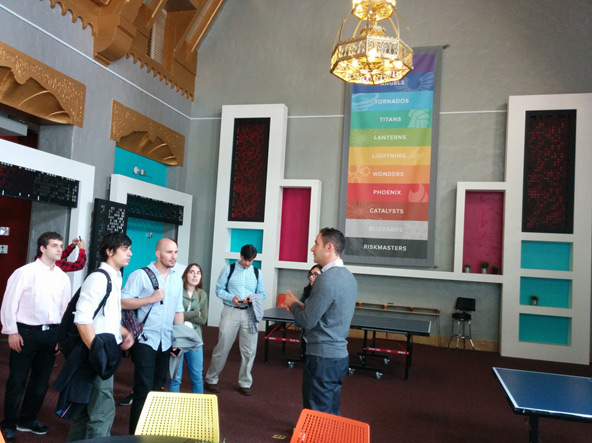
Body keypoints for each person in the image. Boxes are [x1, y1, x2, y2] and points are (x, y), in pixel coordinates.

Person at [0, 232, 72, 443]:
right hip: (26, 333)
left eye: (61, 246)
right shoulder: (24, 272)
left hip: (52, 333)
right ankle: (8, 423)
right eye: (55, 245)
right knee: (17, 380)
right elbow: (9, 303)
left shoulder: (62, 277)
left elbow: (65, 309)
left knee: (41, 382)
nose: (60, 249)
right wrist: (12, 331)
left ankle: (28, 419)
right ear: (42, 248)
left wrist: (61, 337)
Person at [65, 232, 135, 441]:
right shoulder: (98, 278)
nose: (130, 253)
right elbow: (82, 318)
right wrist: (97, 353)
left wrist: (122, 331)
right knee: (102, 412)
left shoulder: (115, 276)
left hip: (101, 351)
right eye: (125, 249)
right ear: (109, 251)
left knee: (85, 409)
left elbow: (104, 315)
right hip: (95, 354)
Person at [283, 228, 357, 415]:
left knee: (316, 412)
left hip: (322, 358)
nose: (312, 249)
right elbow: (328, 312)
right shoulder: (349, 277)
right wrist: (302, 305)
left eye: (316, 243)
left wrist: (293, 304)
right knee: (330, 410)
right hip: (338, 357)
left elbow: (307, 321)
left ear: (329, 247)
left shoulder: (325, 279)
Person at [121, 238, 184, 434]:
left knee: (158, 388)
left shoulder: (176, 279)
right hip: (145, 339)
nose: (173, 256)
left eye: (175, 252)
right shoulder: (140, 275)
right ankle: (135, 436)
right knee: (143, 388)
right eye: (169, 252)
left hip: (166, 341)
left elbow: (178, 311)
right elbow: (122, 302)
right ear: (158, 253)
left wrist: (179, 340)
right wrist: (150, 299)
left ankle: (151, 432)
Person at [204, 244, 265, 396]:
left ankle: (245, 383)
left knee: (249, 350)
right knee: (222, 346)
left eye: (251, 261)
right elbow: (219, 290)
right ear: (240, 256)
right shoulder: (228, 269)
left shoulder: (257, 273)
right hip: (230, 310)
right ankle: (211, 379)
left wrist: (253, 298)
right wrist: (232, 297)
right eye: (246, 260)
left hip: (249, 313)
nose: (248, 263)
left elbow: (262, 294)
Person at [168, 263, 208, 394]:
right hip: (177, 339)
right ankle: (172, 406)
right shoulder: (177, 291)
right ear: (186, 275)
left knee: (197, 377)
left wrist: (183, 315)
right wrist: (195, 313)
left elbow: (203, 319)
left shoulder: (202, 294)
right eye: (192, 272)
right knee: (175, 377)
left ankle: (199, 406)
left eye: (198, 273)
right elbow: (172, 315)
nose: (195, 275)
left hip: (195, 339)